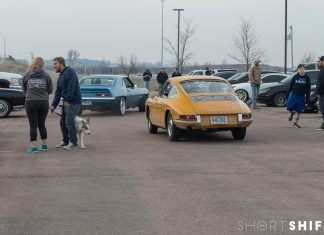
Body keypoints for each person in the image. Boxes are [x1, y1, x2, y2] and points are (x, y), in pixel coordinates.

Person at [22, 57, 53, 153]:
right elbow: (50, 90)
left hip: (31, 102)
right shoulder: (47, 76)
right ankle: (44, 145)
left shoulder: (27, 75)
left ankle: (33, 147)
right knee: (41, 124)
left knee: (33, 125)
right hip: (43, 102)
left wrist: (30, 94)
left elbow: (24, 88)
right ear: (42, 64)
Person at [50, 57, 82, 149]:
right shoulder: (60, 76)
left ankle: (73, 143)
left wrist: (68, 99)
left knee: (68, 121)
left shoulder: (70, 71)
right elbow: (58, 92)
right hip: (66, 102)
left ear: (61, 63)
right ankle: (65, 141)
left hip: (74, 101)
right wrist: (53, 105)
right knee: (62, 122)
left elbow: (71, 87)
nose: (54, 66)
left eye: (55, 64)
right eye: (53, 64)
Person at [287, 64, 310, 128]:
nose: (301, 70)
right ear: (298, 70)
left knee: (299, 110)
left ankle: (296, 123)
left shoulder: (307, 78)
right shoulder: (295, 77)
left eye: (302, 69)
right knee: (289, 106)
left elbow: (308, 89)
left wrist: (307, 98)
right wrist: (288, 94)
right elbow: (291, 86)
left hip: (301, 96)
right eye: (299, 69)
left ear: (304, 70)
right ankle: (291, 113)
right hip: (294, 94)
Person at [316, 56, 324, 130]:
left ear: (322, 61)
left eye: (319, 61)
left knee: (322, 108)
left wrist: (318, 92)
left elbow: (321, 82)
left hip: (322, 93)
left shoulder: (322, 70)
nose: (318, 63)